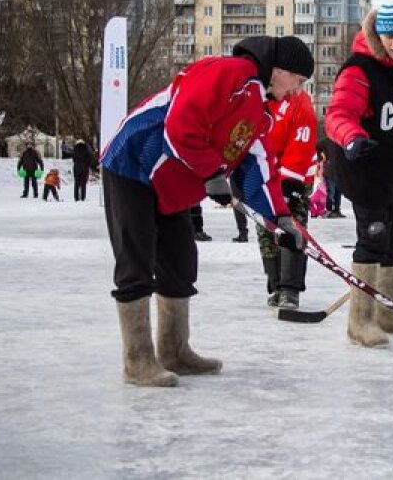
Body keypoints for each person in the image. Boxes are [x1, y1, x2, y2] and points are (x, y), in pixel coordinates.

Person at [100, 35, 312, 387]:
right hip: (133, 164)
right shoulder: (228, 73)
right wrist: (212, 172)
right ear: (280, 70)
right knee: (136, 260)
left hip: (172, 181)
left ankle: (174, 350)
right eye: (299, 81)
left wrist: (282, 220)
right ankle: (137, 360)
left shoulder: (261, 112)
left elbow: (259, 169)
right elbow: (180, 125)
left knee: (180, 261)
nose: (297, 91)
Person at [325, 3, 393, 347]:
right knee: (373, 238)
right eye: (389, 35)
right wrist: (351, 138)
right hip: (365, 167)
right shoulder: (360, 70)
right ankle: (360, 321)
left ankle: (390, 314)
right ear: (377, 32)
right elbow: (338, 113)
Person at [257, 87, 317, 310]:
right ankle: (276, 286)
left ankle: (290, 290)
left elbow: (301, 146)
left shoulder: (299, 102)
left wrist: (289, 184)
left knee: (292, 229)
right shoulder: (258, 98)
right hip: (265, 177)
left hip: (296, 176)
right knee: (265, 231)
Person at [320, 139, 345, 218]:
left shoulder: (340, 143)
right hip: (329, 172)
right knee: (331, 191)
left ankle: (337, 210)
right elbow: (319, 152)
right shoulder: (325, 143)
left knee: (338, 192)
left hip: (338, 172)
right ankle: (329, 210)